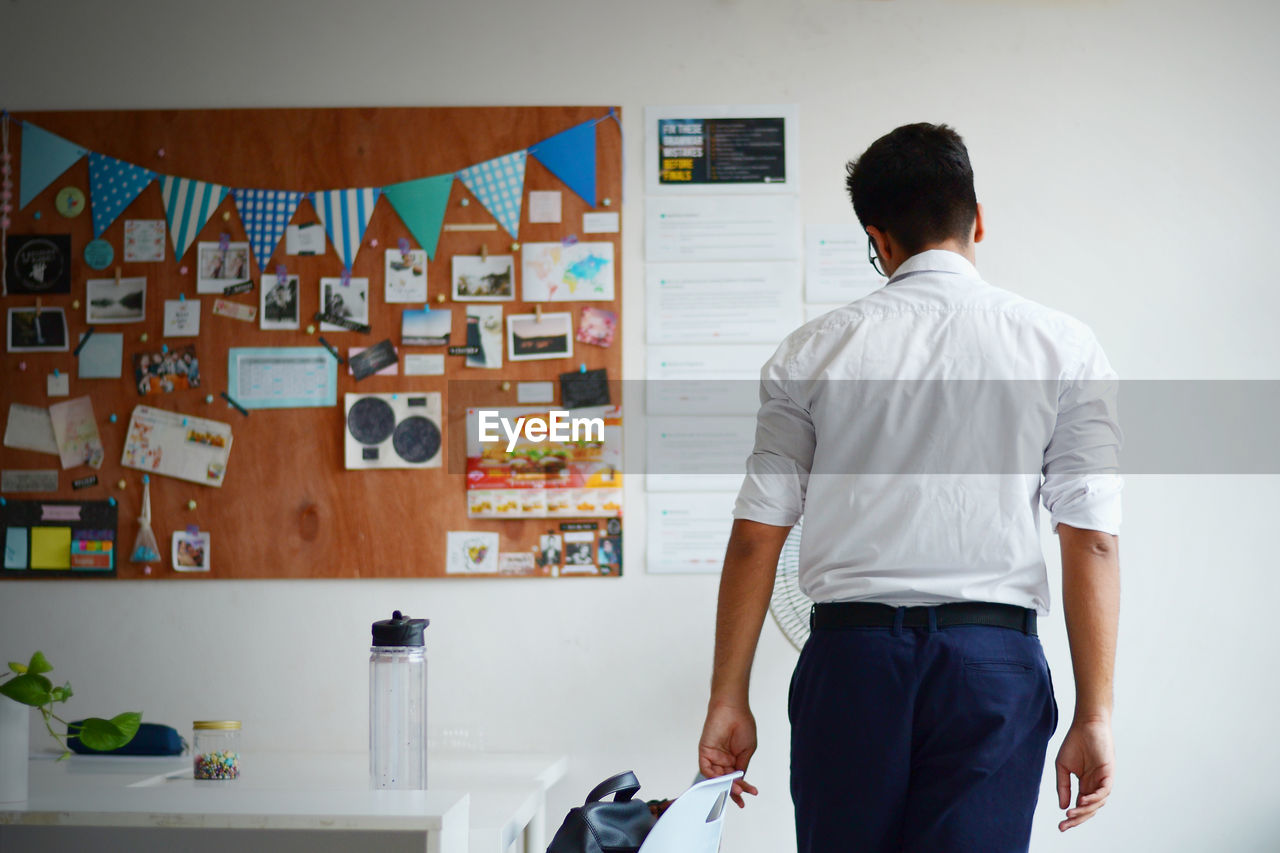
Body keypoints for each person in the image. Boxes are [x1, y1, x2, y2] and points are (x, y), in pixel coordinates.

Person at [698, 123, 1121, 853]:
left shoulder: (811, 350)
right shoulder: (1065, 345)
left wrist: (727, 697)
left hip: (851, 663)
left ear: (878, 240)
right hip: (993, 668)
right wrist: (1095, 713)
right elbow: (1094, 541)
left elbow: (755, 534)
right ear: (977, 218)